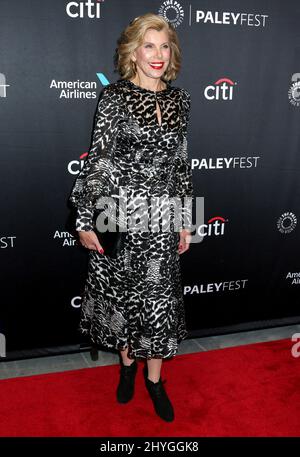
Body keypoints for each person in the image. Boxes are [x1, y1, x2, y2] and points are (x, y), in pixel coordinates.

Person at [68, 12, 194, 422]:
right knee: (125, 302)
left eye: (163, 45)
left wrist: (185, 220)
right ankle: (126, 367)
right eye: (148, 46)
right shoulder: (115, 98)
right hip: (121, 217)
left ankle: (154, 381)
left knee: (159, 304)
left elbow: (180, 164)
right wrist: (86, 217)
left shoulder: (181, 100)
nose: (157, 54)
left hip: (162, 220)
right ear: (133, 52)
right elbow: (100, 161)